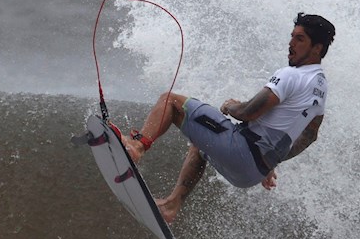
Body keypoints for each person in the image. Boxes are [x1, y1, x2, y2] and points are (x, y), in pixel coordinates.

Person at [121, 13, 335, 223]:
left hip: (241, 151)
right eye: (292, 36)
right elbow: (309, 136)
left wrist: (231, 106)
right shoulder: (320, 87)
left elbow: (249, 112)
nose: (291, 43)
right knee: (200, 143)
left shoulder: (291, 75)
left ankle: (138, 146)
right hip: (253, 173)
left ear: (317, 48)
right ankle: (171, 206)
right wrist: (271, 159)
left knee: (171, 101)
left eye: (300, 39)